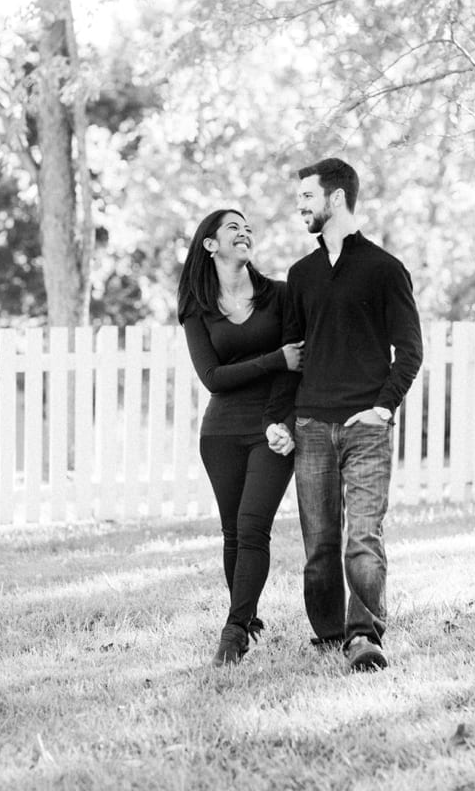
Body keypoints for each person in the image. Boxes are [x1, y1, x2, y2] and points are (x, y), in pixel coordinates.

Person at [265, 158, 423, 673]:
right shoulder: (301, 275)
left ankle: (364, 634)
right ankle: (331, 634)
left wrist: (383, 408)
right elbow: (293, 356)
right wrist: (283, 419)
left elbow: (410, 350)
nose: (300, 206)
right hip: (312, 426)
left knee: (363, 539)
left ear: (335, 199)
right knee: (319, 548)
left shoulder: (384, 269)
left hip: (366, 428)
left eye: (307, 196)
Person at [178, 209, 303, 667]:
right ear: (210, 245)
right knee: (232, 533)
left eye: (248, 227)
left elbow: (298, 368)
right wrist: (275, 359)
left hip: (272, 430)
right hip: (221, 431)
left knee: (253, 527)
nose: (245, 232)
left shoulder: (282, 296)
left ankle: (234, 633)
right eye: (233, 227)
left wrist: (283, 421)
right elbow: (213, 377)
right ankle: (245, 615)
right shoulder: (197, 306)